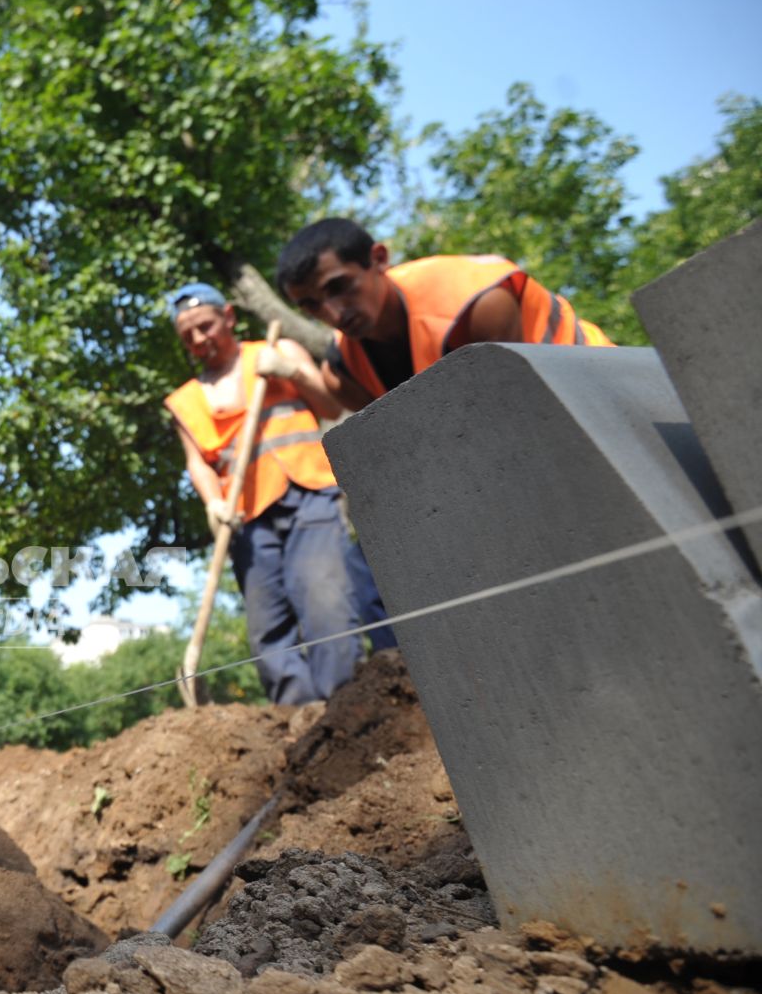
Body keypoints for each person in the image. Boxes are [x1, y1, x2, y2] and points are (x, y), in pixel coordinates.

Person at [163, 283, 382, 704]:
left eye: (205, 326)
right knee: (268, 631)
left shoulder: (278, 351)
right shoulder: (186, 401)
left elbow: (331, 408)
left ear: (228, 316)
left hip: (309, 496)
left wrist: (292, 372)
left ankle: (345, 711)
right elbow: (197, 463)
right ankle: (298, 721)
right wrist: (212, 502)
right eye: (187, 335)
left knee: (326, 604)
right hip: (246, 518)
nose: (198, 339)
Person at [276, 217, 614, 410]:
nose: (333, 312)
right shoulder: (342, 372)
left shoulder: (477, 303)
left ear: (379, 259)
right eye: (312, 305)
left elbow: (510, 406)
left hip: (604, 389)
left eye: (339, 287)